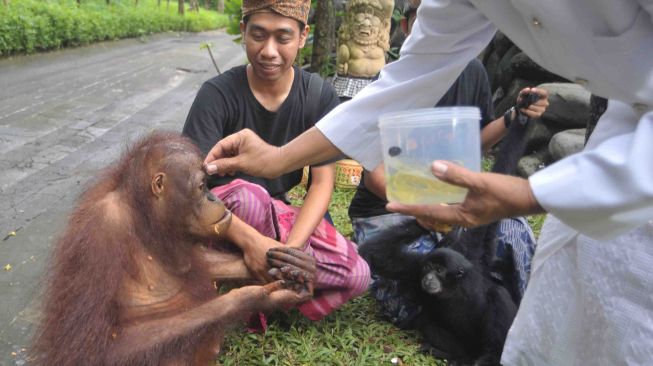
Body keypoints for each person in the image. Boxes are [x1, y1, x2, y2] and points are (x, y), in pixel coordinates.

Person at [202, 0, 653, 363]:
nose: (269, 49)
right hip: (408, 208)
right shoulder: (223, 94)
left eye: (283, 36)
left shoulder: (471, 76)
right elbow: (398, 88)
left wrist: (521, 180)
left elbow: (478, 149)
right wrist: (278, 159)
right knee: (564, 310)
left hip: (619, 165)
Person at [348, 0, 549, 327]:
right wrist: (426, 211)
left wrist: (515, 117)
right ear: (406, 27)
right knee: (412, 302)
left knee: (514, 232)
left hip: (453, 208)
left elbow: (474, 143)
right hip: (390, 210)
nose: (442, 29)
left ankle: (522, 317)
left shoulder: (472, 71)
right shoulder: (390, 80)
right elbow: (375, 176)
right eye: (429, 19)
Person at [182, 0, 370, 321]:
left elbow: (322, 183)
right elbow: (190, 191)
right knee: (247, 194)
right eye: (258, 35)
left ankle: (259, 279)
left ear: (302, 36)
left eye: (282, 37)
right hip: (225, 222)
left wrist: (292, 252)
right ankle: (253, 274)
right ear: (243, 32)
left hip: (278, 218)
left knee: (358, 274)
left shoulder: (318, 96)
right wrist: (251, 241)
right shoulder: (216, 95)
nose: (269, 51)